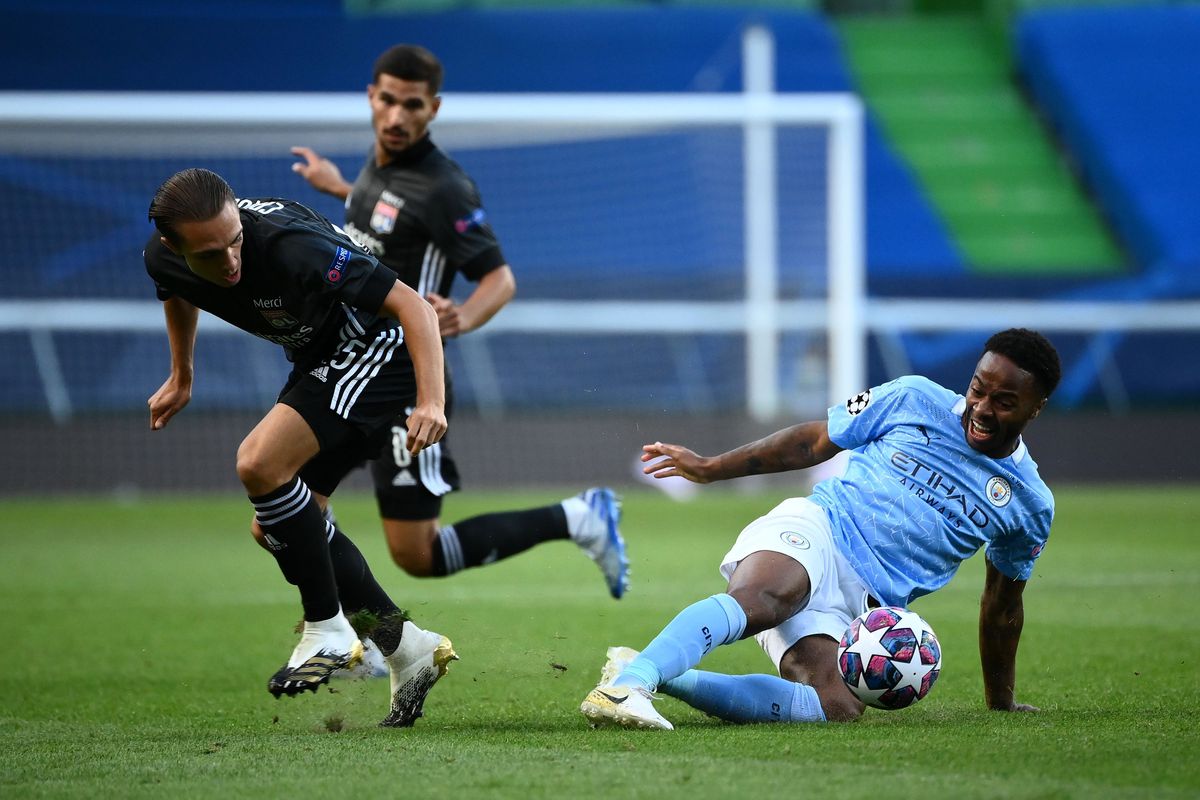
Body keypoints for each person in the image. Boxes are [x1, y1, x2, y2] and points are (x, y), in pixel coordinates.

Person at [580, 328, 1061, 729]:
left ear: (1035, 408)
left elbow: (1001, 606)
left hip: (862, 610)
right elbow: (813, 443)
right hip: (820, 530)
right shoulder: (913, 398)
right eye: (978, 388)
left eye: (1003, 401)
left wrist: (1002, 703)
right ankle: (627, 688)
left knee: (837, 707)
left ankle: (648, 671)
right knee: (769, 597)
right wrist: (710, 469)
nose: (980, 408)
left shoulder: (1029, 503)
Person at [289, 43, 628, 608]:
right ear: (371, 97)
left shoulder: (445, 186)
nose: (398, 117)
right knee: (291, 502)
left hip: (399, 381)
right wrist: (342, 189)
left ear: (434, 109)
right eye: (389, 101)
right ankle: (355, 638)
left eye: (413, 106)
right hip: (349, 370)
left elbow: (500, 278)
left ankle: (575, 516)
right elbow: (390, 222)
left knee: (417, 553)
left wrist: (462, 317)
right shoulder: (379, 167)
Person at [145, 167, 456, 727]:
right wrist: (181, 374)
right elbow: (176, 289)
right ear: (173, 245)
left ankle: (327, 628)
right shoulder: (164, 257)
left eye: (236, 241)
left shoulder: (292, 245)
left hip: (377, 348)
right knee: (277, 526)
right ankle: (407, 648)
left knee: (258, 463)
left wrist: (431, 402)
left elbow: (416, 308)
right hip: (320, 361)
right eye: (212, 254)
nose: (231, 261)